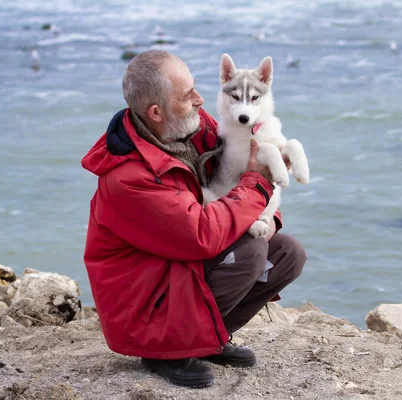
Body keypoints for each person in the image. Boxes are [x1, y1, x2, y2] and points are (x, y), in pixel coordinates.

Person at [82, 49, 306, 388]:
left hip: (176, 273)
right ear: (156, 112)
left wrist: (270, 214)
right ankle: (166, 350)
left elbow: (246, 171)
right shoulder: (127, 178)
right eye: (188, 95)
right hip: (145, 305)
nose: (201, 100)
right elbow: (201, 235)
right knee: (250, 254)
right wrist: (259, 182)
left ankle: (207, 338)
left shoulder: (194, 129)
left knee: (287, 252)